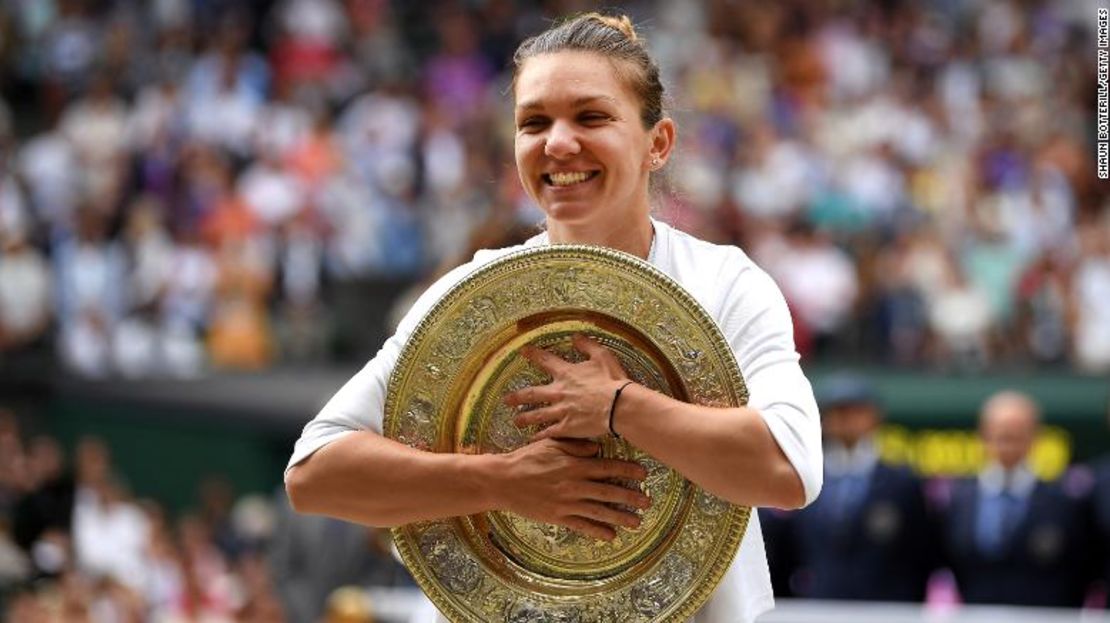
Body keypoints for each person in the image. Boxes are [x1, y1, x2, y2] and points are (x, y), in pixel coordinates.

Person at [285, 13, 822, 623]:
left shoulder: (725, 285)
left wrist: (618, 405)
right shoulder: (468, 294)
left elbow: (790, 469)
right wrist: (504, 480)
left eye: (591, 117)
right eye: (534, 122)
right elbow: (315, 473)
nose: (558, 143)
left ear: (658, 143)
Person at [775, 375, 937, 601]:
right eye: (838, 412)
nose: (846, 420)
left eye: (855, 411)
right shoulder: (804, 476)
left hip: (885, 609)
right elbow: (789, 553)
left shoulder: (902, 482)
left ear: (875, 417)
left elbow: (922, 555)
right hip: (819, 606)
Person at [939, 390, 1093, 607]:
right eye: (1001, 436)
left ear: (1034, 438)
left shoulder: (1063, 503)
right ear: (984, 435)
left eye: (1016, 436)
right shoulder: (960, 499)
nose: (1007, 446)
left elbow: (1080, 570)